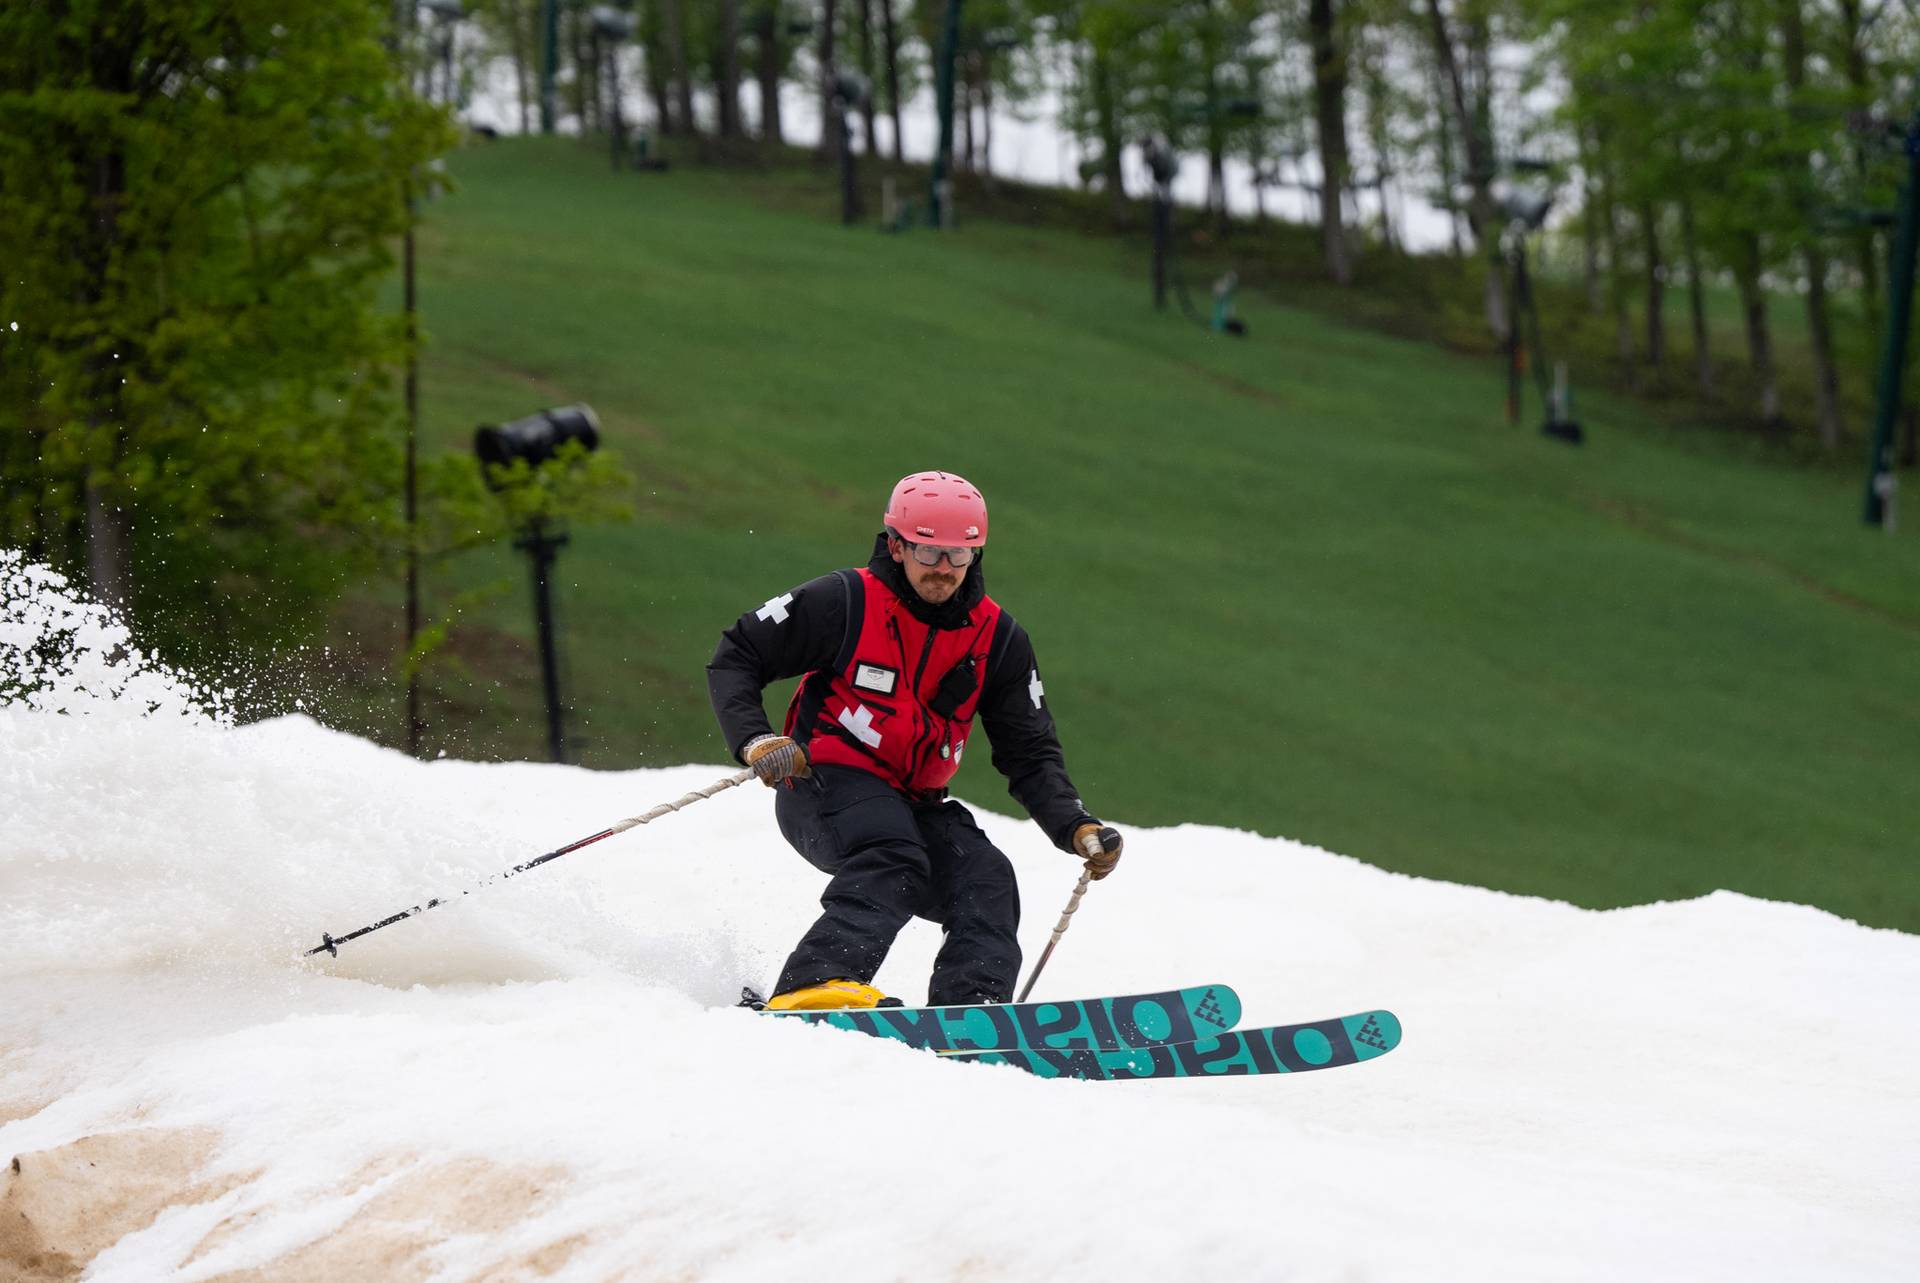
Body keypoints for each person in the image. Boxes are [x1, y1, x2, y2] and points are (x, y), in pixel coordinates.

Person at [707, 470, 1124, 1011]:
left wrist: (1075, 825)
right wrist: (755, 740)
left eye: (960, 554)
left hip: (913, 803)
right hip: (822, 786)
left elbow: (1030, 750)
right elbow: (738, 654)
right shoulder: (846, 600)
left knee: (987, 878)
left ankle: (971, 1012)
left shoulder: (998, 639)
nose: (944, 570)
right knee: (894, 853)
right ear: (898, 545)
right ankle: (812, 986)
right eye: (929, 553)